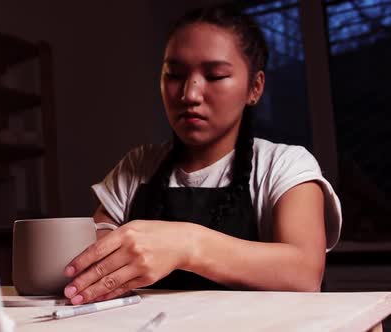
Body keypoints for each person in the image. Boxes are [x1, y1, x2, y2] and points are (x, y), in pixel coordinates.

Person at [62, 4, 342, 305]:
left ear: (255, 88)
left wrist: (187, 246)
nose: (190, 95)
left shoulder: (285, 165)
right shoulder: (137, 166)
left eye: (216, 75)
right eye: (174, 74)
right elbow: (95, 253)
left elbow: (303, 272)